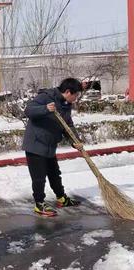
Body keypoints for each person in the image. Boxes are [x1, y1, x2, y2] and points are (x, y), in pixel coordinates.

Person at [22, 78, 84, 217]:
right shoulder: (46, 96)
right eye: (76, 94)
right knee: (39, 178)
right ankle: (39, 204)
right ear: (68, 92)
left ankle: (62, 198)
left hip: (49, 145)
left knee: (55, 174)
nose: (77, 97)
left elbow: (68, 125)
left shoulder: (66, 105)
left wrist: (75, 141)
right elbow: (29, 110)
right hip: (36, 144)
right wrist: (45, 109)